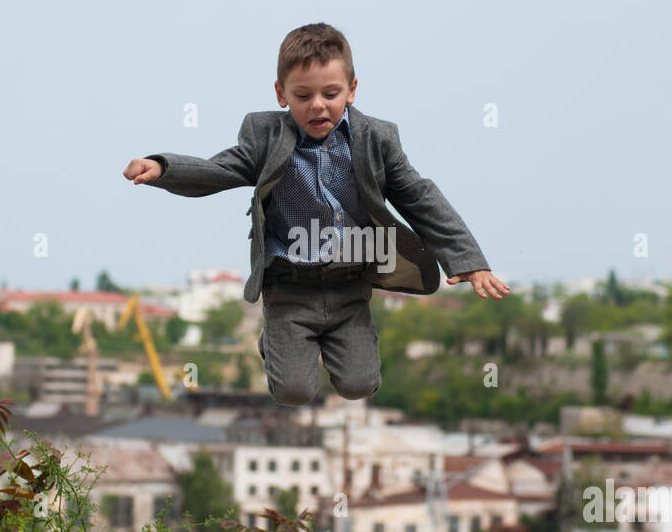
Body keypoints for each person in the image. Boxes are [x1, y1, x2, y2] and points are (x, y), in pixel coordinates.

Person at [123, 23, 509, 406]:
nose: (318, 105)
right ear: (281, 94)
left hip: (349, 289)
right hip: (289, 290)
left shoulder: (377, 139)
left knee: (359, 385)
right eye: (303, 95)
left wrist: (468, 261)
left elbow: (420, 196)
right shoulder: (265, 136)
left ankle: (336, 347)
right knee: (295, 392)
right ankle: (276, 342)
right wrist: (163, 167)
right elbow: (223, 168)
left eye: (331, 93)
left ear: (352, 90)